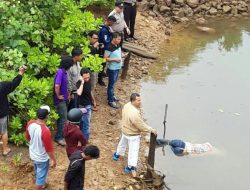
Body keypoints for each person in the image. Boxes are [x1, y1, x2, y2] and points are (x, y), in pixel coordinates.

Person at [113, 93, 157, 176]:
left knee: (122, 144)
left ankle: (117, 154)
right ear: (133, 101)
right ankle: (130, 167)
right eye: (138, 100)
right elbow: (140, 125)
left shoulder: (127, 105)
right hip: (133, 134)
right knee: (133, 151)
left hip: (125, 130)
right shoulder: (134, 113)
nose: (140, 102)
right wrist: (150, 129)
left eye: (140, 100)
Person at [26, 106, 56, 190]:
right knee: (41, 176)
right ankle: (40, 185)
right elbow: (49, 150)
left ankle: (43, 184)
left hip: (33, 153)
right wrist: (53, 160)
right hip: (42, 157)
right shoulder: (45, 130)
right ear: (47, 116)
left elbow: (28, 138)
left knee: (38, 169)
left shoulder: (30, 123)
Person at [0, 65, 26, 156]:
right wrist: (21, 72)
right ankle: (5, 149)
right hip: (1, 114)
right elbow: (14, 83)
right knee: (4, 132)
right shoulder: (2, 86)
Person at [53, 56, 73, 146]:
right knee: (63, 118)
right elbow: (57, 85)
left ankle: (60, 134)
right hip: (60, 101)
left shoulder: (63, 72)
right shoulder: (61, 72)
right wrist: (58, 95)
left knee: (62, 118)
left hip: (64, 99)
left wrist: (67, 95)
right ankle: (59, 137)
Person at [104, 32, 123, 109]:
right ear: (114, 38)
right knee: (111, 85)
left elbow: (118, 53)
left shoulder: (117, 45)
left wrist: (122, 56)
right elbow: (105, 58)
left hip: (118, 67)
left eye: (120, 39)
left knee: (114, 83)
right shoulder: (109, 47)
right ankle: (110, 100)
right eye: (118, 39)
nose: (119, 40)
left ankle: (112, 95)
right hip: (112, 69)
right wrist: (115, 60)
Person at [76, 68, 95, 141]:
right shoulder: (79, 83)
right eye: (85, 78)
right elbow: (79, 93)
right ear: (81, 77)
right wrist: (82, 82)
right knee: (82, 122)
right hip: (81, 105)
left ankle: (84, 139)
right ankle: (82, 138)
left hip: (88, 105)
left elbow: (90, 91)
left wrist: (93, 100)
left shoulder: (89, 81)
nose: (87, 79)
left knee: (86, 123)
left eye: (88, 77)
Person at [98, 15, 117, 86]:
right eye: (112, 23)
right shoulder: (104, 30)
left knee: (104, 63)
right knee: (102, 64)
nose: (113, 24)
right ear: (109, 21)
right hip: (102, 49)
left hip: (104, 48)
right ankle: (100, 79)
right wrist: (111, 36)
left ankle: (101, 73)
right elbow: (106, 41)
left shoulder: (107, 28)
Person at [88, 31, 103, 111]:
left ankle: (92, 100)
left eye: (97, 39)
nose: (96, 40)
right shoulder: (86, 46)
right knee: (90, 86)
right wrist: (94, 47)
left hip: (95, 67)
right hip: (89, 69)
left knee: (93, 85)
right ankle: (92, 102)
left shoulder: (95, 45)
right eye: (94, 38)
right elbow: (88, 54)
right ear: (89, 38)